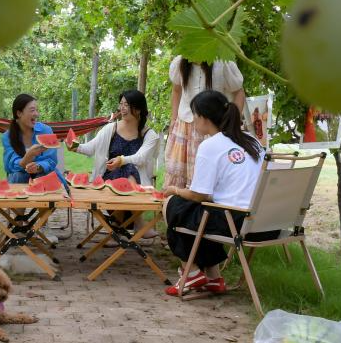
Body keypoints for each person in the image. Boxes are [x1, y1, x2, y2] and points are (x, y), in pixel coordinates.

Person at [162, 90, 274, 296]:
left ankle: (191, 272)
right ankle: (213, 277)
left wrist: (174, 189)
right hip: (269, 224)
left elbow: (199, 195)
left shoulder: (210, 145)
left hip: (239, 223)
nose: (193, 120)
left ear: (204, 118)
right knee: (201, 213)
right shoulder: (251, 140)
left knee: (174, 205)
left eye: (195, 115)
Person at [163, 56, 246, 189]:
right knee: (177, 179)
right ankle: (177, 201)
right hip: (184, 126)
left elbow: (239, 92)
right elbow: (176, 90)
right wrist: (173, 119)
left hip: (213, 128)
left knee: (205, 179)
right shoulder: (180, 62)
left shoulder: (223, 63)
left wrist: (233, 122)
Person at [71, 89, 158, 186]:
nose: (122, 108)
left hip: (137, 181)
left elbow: (141, 158)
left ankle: (130, 194)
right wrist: (75, 146)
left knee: (129, 168)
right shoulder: (111, 129)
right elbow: (91, 148)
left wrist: (122, 160)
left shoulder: (149, 135)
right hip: (110, 179)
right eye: (121, 104)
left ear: (138, 110)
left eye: (126, 105)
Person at [2, 93, 58, 184]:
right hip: (19, 178)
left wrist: (38, 167)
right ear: (19, 113)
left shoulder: (46, 130)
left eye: (37, 110)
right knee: (18, 175)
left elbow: (51, 160)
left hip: (44, 175)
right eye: (32, 110)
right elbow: (10, 167)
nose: (36, 114)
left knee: (42, 176)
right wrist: (28, 157)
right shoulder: (7, 136)